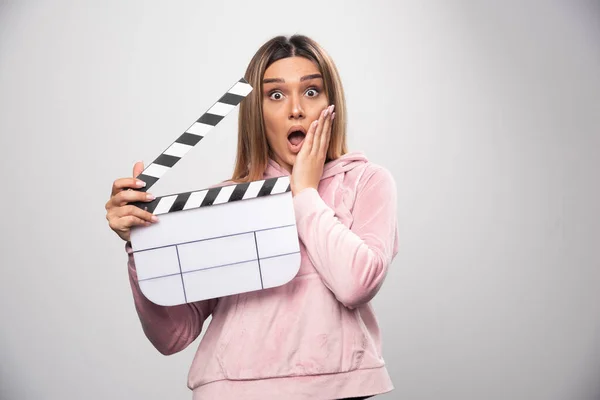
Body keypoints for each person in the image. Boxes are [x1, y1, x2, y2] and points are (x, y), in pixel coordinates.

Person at [105, 34, 399, 400]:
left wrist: (304, 193)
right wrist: (142, 245)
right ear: (256, 113)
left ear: (331, 103)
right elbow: (173, 335)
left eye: (311, 92)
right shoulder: (227, 202)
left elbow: (357, 284)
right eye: (275, 95)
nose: (296, 109)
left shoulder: (367, 182)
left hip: (337, 388)